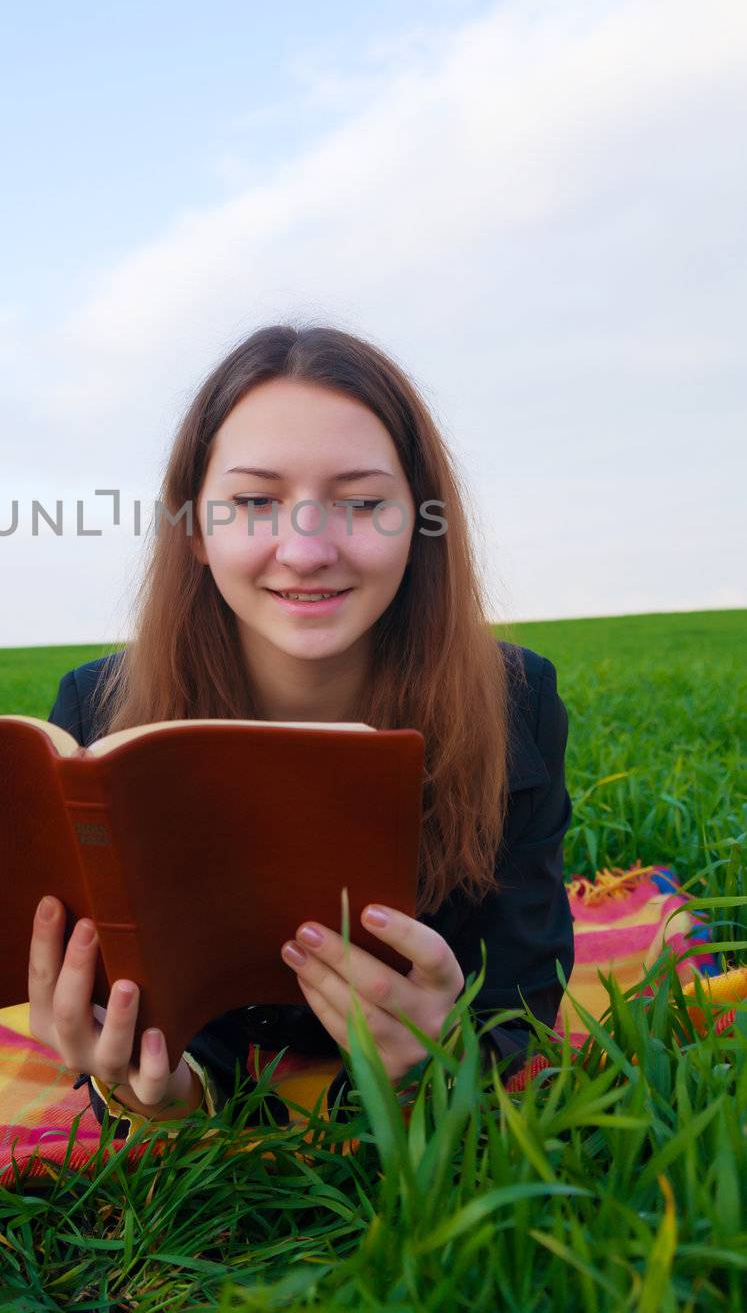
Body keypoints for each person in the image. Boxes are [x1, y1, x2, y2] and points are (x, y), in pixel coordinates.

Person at [28, 323, 574, 1139]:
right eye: (253, 502)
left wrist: (441, 1058)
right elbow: (130, 1012)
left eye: (361, 502)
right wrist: (163, 1094)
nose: (307, 549)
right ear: (193, 532)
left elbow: (522, 1000)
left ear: (420, 523)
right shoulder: (100, 712)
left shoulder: (514, 698)